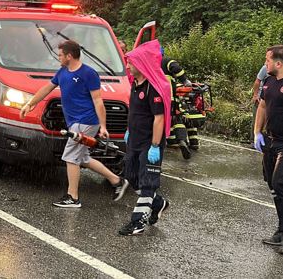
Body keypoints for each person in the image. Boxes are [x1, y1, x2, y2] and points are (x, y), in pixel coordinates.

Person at [20, 40, 128, 208]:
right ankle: (117, 180)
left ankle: (73, 197)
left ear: (69, 56)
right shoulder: (63, 71)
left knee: (71, 157)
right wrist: (30, 104)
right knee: (82, 158)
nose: (58, 58)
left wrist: (103, 126)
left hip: (85, 121)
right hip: (75, 122)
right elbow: (47, 88)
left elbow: (98, 101)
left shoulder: (89, 74)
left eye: (61, 55)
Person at [119, 40, 172, 236]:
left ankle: (137, 222)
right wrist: (128, 130)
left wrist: (155, 146)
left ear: (141, 64)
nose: (128, 66)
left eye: (130, 63)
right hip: (134, 140)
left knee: (148, 182)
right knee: (131, 177)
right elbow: (134, 112)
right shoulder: (136, 84)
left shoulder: (153, 88)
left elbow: (159, 119)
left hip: (150, 143)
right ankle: (158, 203)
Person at [254, 45, 283, 250]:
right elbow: (262, 106)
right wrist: (257, 132)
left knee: (280, 183)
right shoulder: (269, 81)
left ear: (278, 63)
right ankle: (281, 230)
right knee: (272, 187)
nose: (265, 63)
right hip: (270, 140)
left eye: (268, 60)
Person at [161, 55, 197, 154]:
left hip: (154, 98)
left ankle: (172, 143)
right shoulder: (166, 61)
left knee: (163, 120)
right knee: (176, 119)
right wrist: (184, 80)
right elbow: (176, 68)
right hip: (170, 97)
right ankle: (181, 141)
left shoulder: (150, 63)